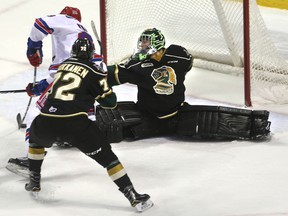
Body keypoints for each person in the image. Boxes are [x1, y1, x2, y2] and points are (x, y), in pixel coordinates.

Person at [24, 37, 153, 212]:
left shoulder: (63, 66)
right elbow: (110, 103)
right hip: (75, 124)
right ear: (91, 54)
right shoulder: (95, 71)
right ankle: (133, 196)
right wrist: (104, 85)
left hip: (46, 119)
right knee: (109, 160)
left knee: (35, 141)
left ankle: (34, 181)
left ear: (73, 53)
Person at [96, 28, 271, 142]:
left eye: (147, 44)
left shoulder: (136, 67)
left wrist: (98, 70)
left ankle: (255, 124)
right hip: (148, 115)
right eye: (142, 44)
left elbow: (110, 75)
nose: (143, 47)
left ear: (158, 47)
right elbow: (188, 62)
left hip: (177, 114)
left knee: (216, 124)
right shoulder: (178, 55)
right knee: (113, 129)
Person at [6, 6, 105, 177]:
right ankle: (72, 136)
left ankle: (32, 160)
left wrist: (33, 48)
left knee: (36, 112)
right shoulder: (81, 33)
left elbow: (39, 24)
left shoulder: (66, 20)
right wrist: (40, 87)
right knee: (81, 109)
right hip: (92, 76)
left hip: (71, 72)